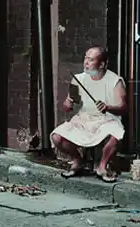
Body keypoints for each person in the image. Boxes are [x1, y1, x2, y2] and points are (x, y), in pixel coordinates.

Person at [51, 46, 127, 182]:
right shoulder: (78, 79)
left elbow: (123, 108)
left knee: (116, 134)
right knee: (57, 137)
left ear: (102, 64)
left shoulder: (115, 81)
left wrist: (108, 107)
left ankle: (102, 167)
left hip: (107, 119)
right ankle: (78, 161)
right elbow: (68, 106)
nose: (86, 62)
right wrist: (68, 103)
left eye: (91, 60)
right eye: (85, 58)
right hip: (84, 118)